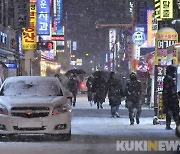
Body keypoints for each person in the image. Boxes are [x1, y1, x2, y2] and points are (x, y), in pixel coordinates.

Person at [162, 65, 179, 130]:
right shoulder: (169, 79)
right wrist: (175, 97)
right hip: (171, 99)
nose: (174, 73)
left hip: (168, 98)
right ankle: (177, 125)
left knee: (169, 112)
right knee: (175, 112)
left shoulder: (167, 78)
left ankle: (168, 125)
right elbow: (171, 91)